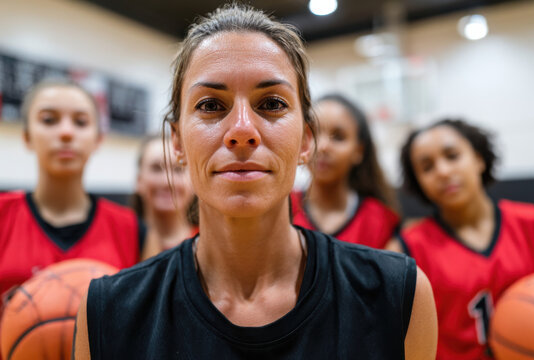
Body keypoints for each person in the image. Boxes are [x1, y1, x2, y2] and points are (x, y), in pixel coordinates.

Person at [74, 5, 437, 359]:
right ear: (178, 141)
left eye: (272, 103)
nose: (243, 130)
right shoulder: (107, 312)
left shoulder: (398, 294)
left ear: (306, 140)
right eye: (212, 106)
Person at [386, 119, 534, 359]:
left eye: (452, 155)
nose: (443, 171)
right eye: (427, 167)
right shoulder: (405, 251)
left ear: (478, 158)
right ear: (419, 184)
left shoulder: (533, 223)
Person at [0, 80, 145, 319]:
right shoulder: (4, 215)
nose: (66, 132)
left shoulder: (130, 227)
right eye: (49, 120)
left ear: (98, 139)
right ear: (26, 136)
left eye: (80, 122)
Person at [291, 94, 399, 249]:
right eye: (313, 133)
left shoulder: (380, 220)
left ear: (359, 151)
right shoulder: (280, 207)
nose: (323, 146)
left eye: (338, 137)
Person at [133, 135, 197, 260]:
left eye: (178, 170)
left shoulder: (209, 244)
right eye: (157, 168)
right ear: (139, 181)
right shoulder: (119, 241)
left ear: (193, 183)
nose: (167, 182)